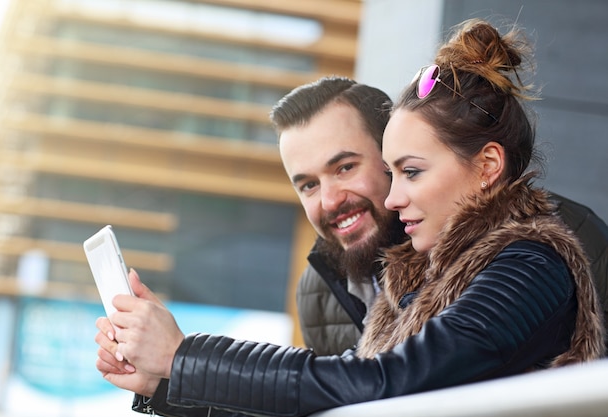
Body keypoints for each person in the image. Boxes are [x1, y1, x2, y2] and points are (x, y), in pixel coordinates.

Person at [95, 18, 605, 416]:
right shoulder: (414, 280)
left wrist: (185, 357)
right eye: (308, 184)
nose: (395, 197)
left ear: (488, 166)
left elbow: (382, 382)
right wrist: (164, 383)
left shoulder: (535, 262)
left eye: (410, 171)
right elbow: (328, 400)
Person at [271, 79, 608, 356]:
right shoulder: (317, 289)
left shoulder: (566, 239)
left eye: (345, 168)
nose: (330, 201)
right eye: (309, 185)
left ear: (391, 152)